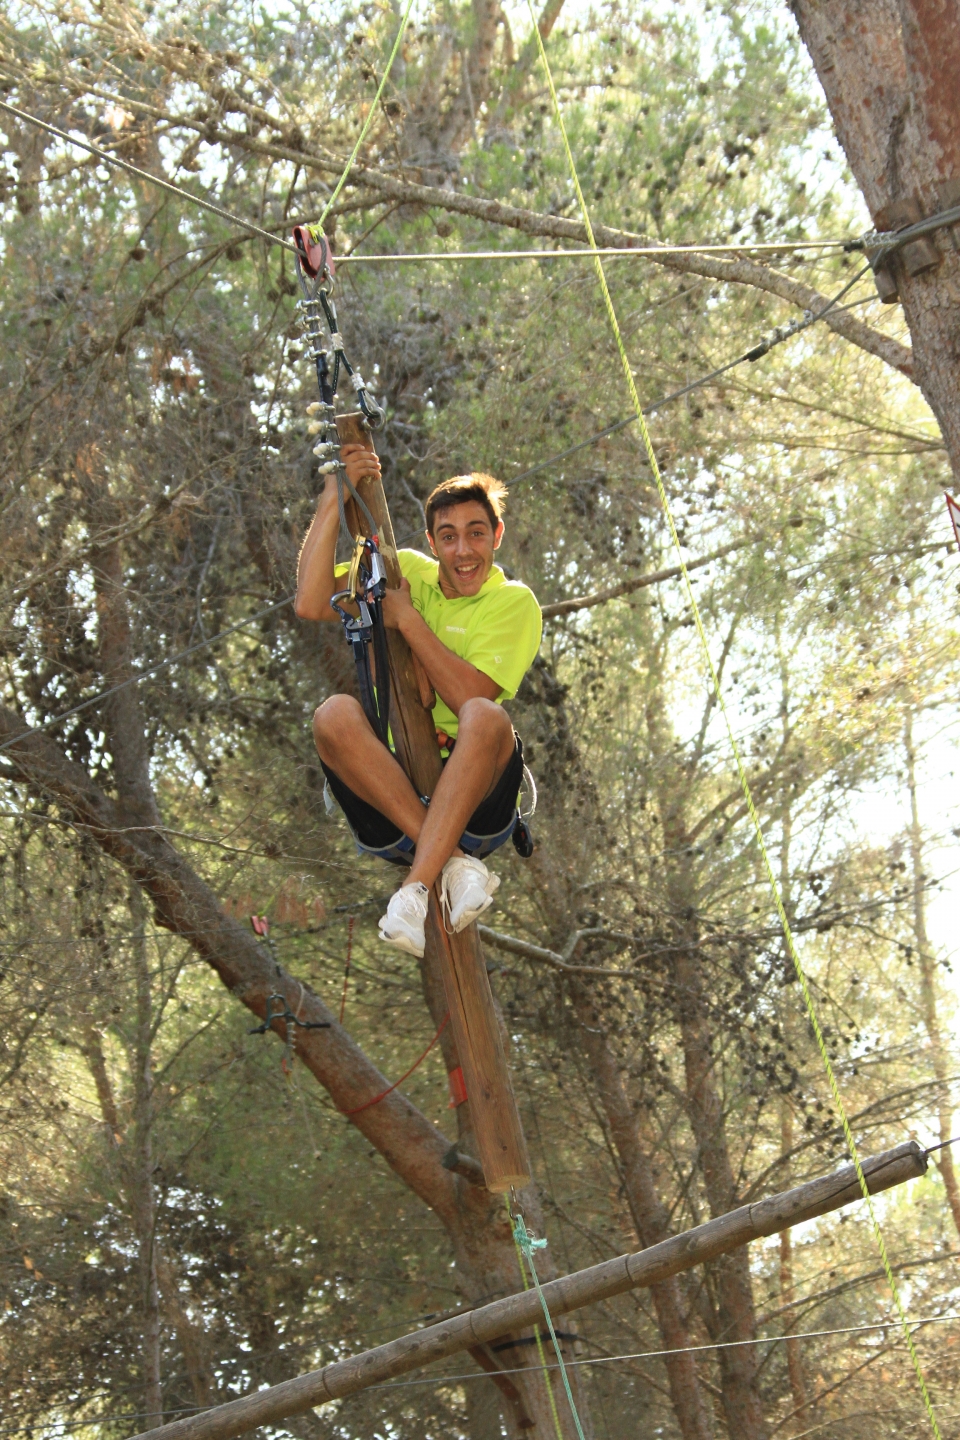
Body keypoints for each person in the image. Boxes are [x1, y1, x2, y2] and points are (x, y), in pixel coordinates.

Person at [294, 445, 542, 959]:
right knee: (332, 715)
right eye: (448, 537)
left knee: (485, 716)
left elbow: (469, 695)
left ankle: (414, 890)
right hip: (397, 794)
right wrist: (331, 498)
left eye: (477, 533)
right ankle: (449, 864)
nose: (463, 551)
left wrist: (407, 620)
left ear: (496, 536)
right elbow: (313, 601)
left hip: (477, 798)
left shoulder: (513, 602)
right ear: (431, 542)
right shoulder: (406, 570)